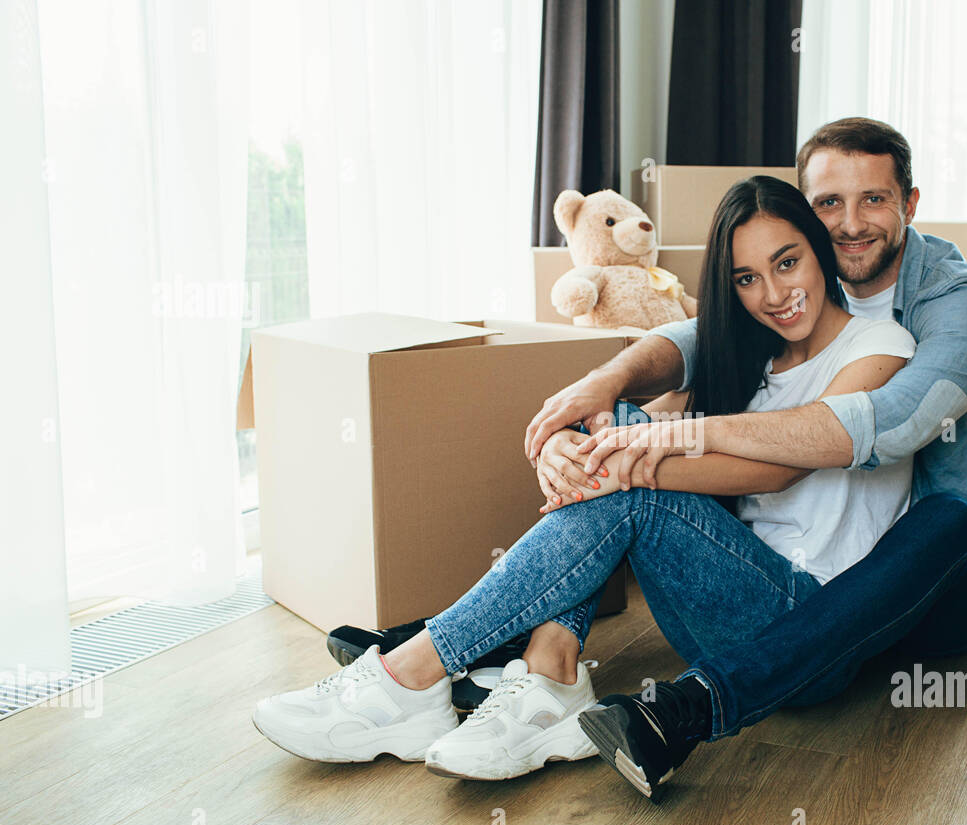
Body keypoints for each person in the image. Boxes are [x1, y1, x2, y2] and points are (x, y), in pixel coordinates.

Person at [250, 174, 918, 787]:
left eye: (787, 261)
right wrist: (570, 448)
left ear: (819, 250)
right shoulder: (755, 355)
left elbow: (786, 459)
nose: (773, 294)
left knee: (630, 476)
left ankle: (416, 673)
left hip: (806, 628)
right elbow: (632, 428)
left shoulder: (880, 345)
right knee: (618, 440)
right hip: (717, 617)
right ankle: (548, 671)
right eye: (746, 278)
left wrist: (620, 459)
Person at [527, 117, 967, 801]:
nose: (851, 223)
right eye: (830, 203)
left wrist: (667, 447)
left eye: (874, 200)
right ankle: (506, 648)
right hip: (819, 582)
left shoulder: (963, 302)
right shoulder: (816, 280)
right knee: (620, 431)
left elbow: (885, 425)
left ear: (910, 205)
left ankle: (691, 708)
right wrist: (609, 385)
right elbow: (705, 331)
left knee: (946, 521)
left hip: (936, 585)